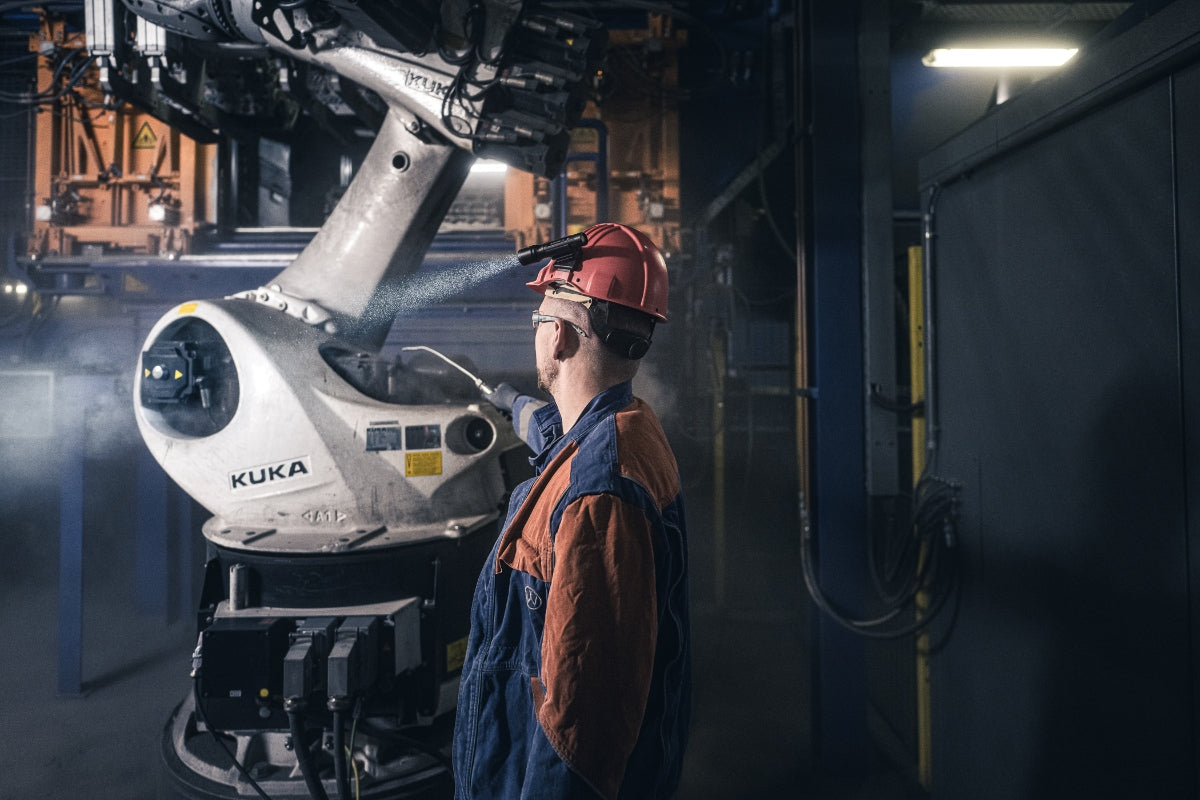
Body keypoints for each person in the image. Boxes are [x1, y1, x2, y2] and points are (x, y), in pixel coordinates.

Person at [453, 222, 691, 799]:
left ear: (557, 336)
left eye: (539, 321)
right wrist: (515, 405)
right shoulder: (629, 427)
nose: (535, 333)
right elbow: (556, 433)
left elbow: (579, 736)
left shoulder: (598, 495)